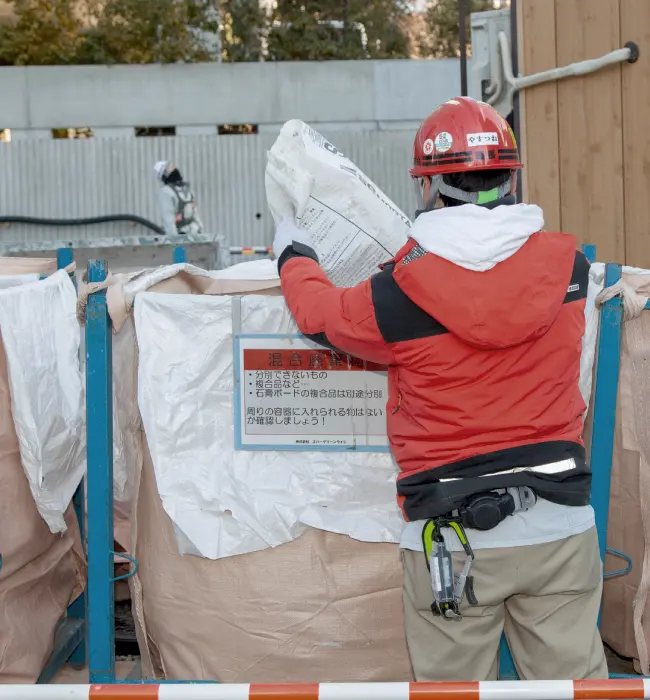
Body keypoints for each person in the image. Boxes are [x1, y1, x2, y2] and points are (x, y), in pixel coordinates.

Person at [272, 97, 607, 681]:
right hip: (560, 524)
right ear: (510, 175)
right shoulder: (569, 269)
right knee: (576, 690)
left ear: (429, 188)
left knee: (453, 693)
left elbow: (318, 315)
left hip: (451, 538)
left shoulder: (399, 292)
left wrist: (293, 252)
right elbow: (502, 293)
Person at [153, 160, 203, 237]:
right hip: (181, 236)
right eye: (170, 167)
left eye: (173, 166)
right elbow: (169, 221)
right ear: (165, 174)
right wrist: (175, 242)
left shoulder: (186, 189)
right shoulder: (166, 192)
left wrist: (201, 230)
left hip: (194, 233)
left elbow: (195, 213)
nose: (175, 168)